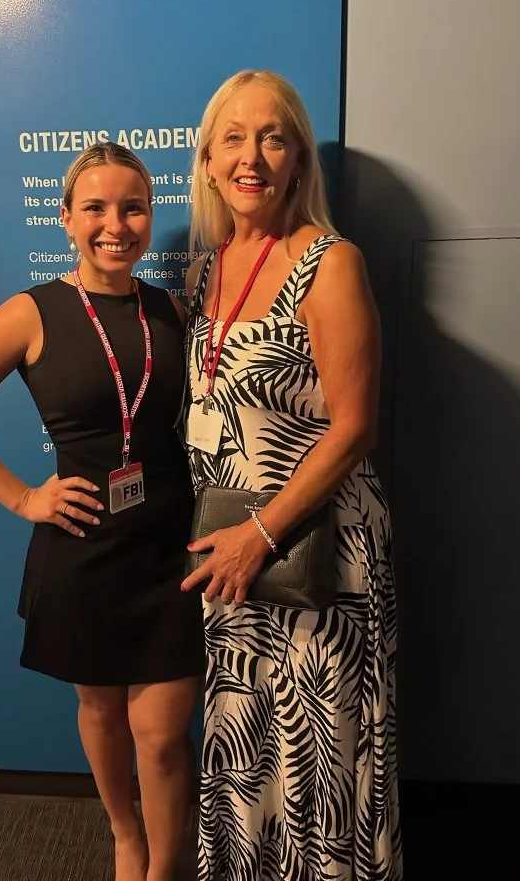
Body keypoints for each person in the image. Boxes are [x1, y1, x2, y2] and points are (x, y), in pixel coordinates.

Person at [0, 142, 203, 881]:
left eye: (133, 207)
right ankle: (126, 838)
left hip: (171, 544)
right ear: (67, 218)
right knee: (104, 711)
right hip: (83, 546)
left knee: (165, 736)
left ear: (149, 215)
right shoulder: (31, 312)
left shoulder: (169, 309)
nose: (117, 224)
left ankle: (166, 869)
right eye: (97, 208)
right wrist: (22, 497)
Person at [181, 70, 402, 881]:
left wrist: (261, 536)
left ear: (299, 157)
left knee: (320, 754)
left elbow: (355, 428)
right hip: (229, 555)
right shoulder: (206, 269)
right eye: (233, 138)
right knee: (247, 745)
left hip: (317, 550)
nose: (252, 156)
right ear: (207, 161)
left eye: (272, 137)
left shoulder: (331, 263)